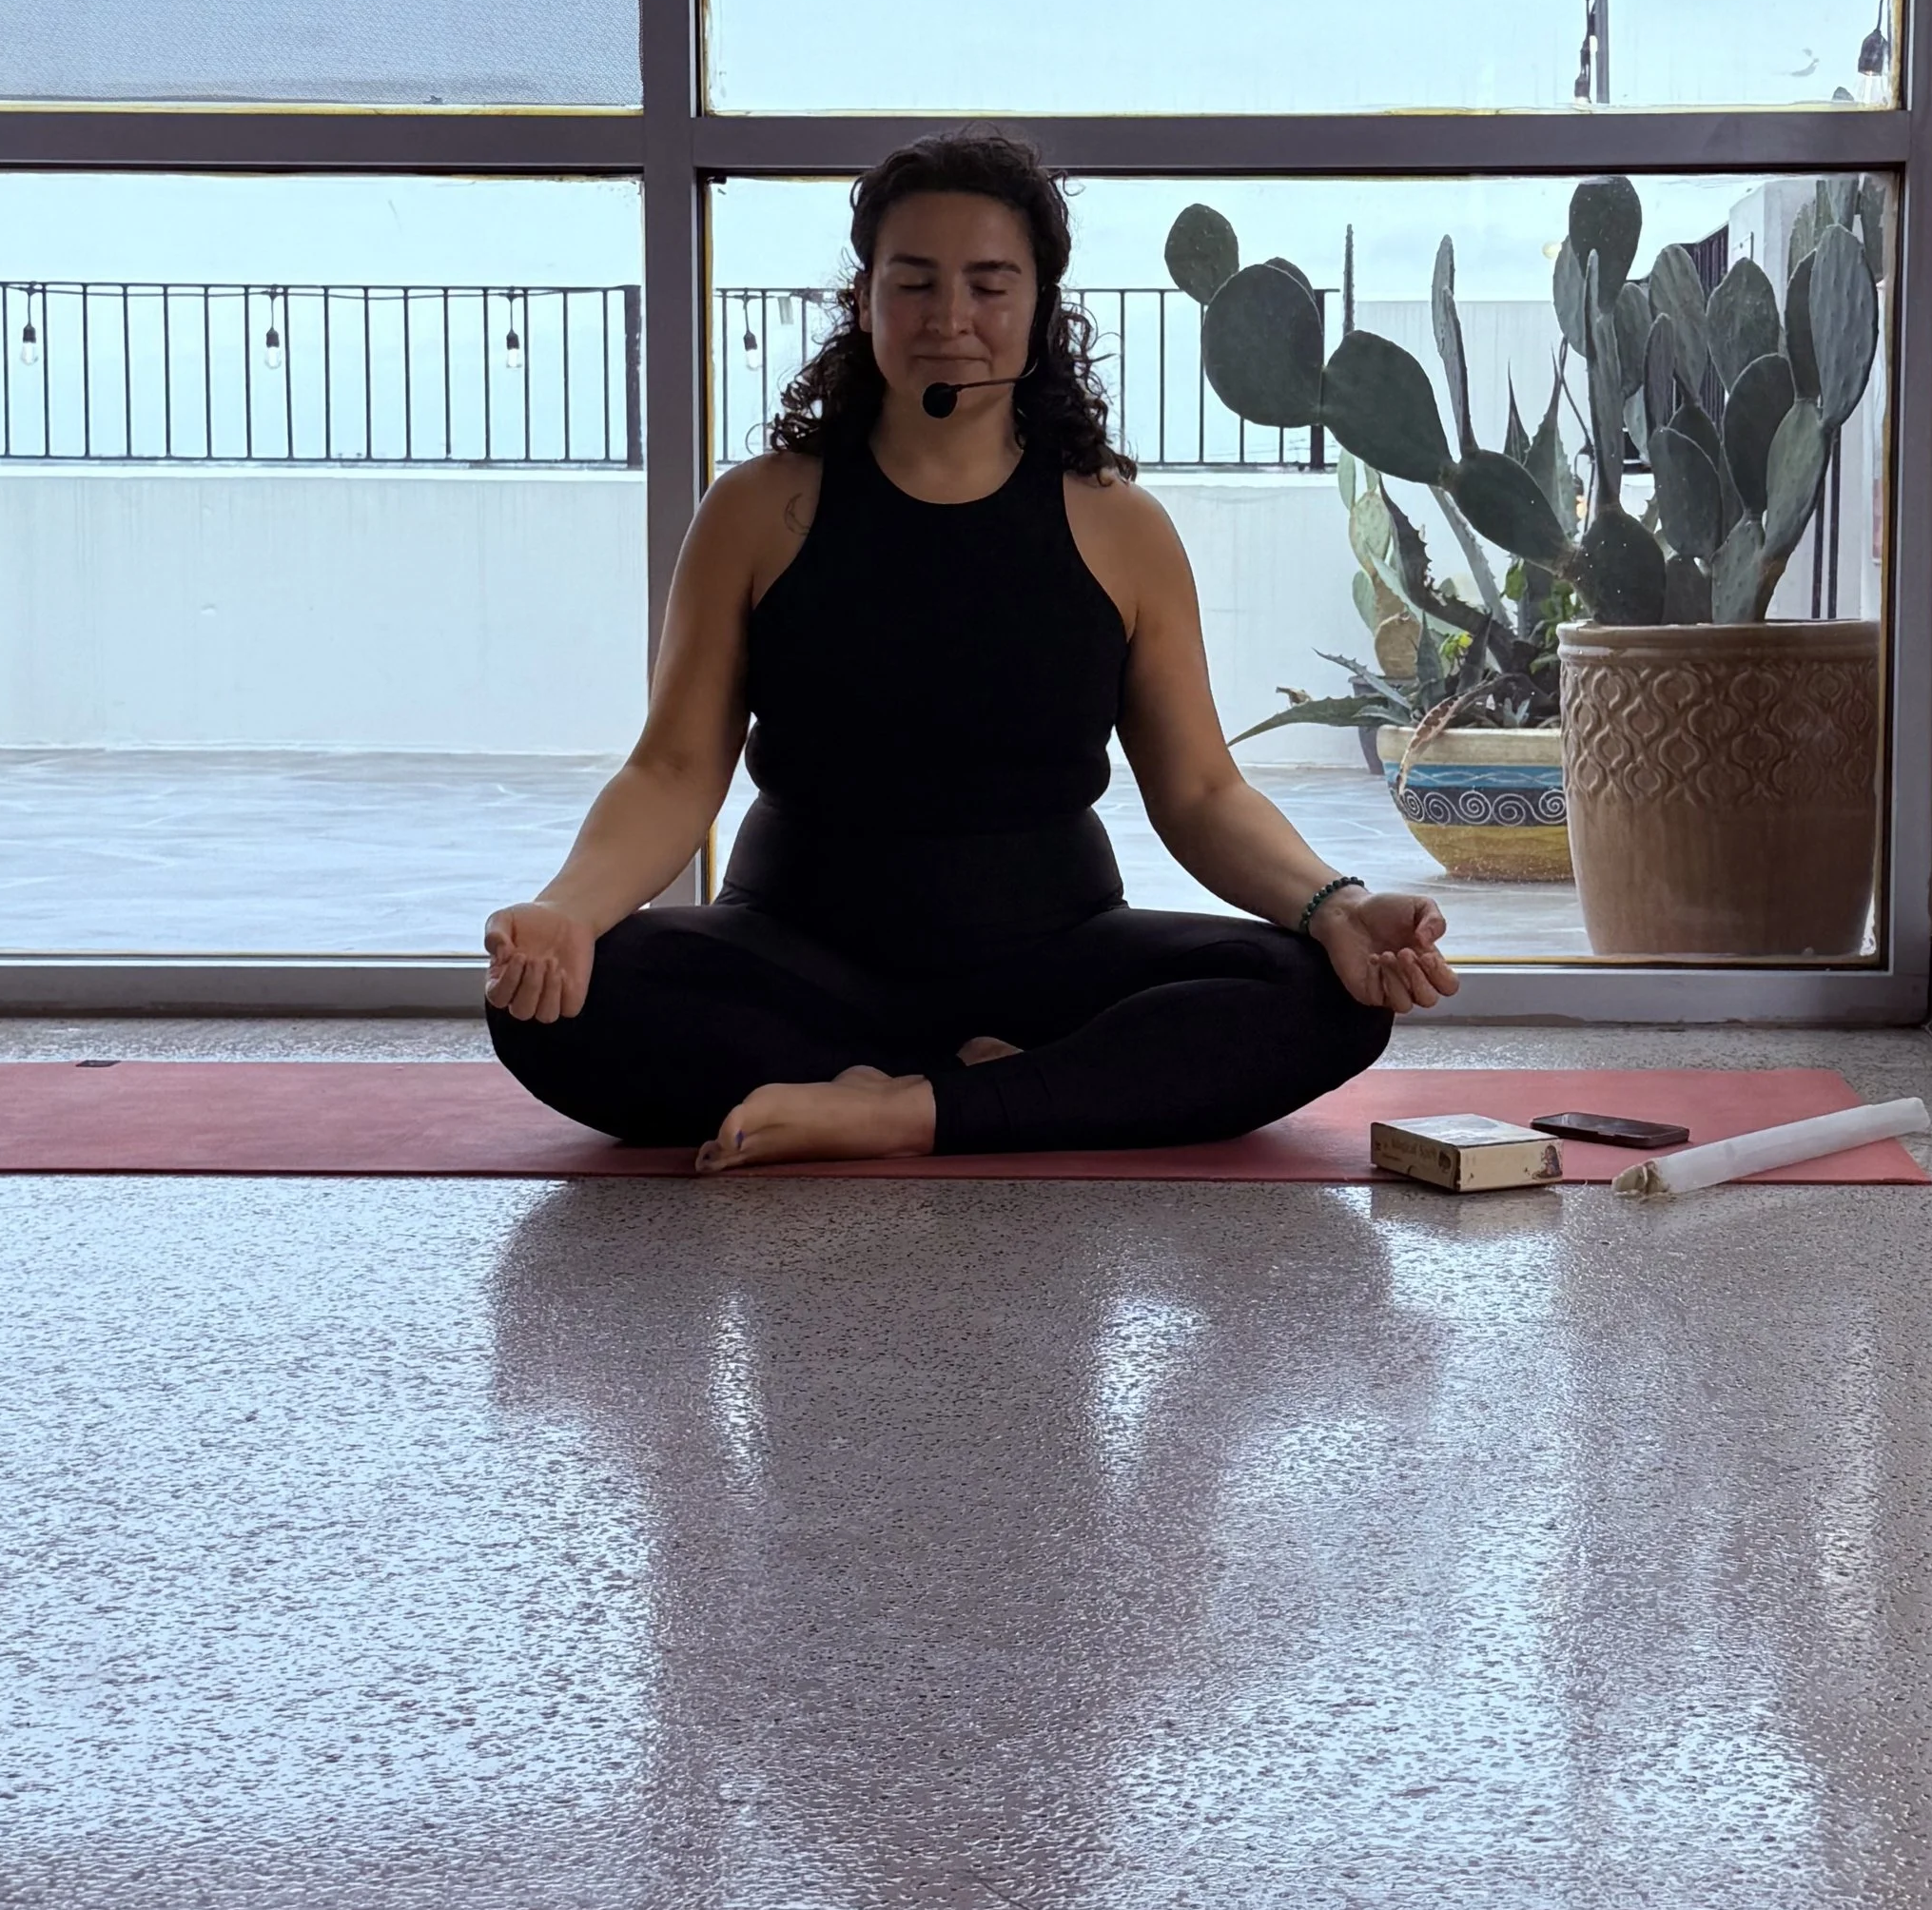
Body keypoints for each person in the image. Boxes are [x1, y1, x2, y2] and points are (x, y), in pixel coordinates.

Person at [483, 129, 1455, 1169]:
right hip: (796, 954)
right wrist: (566, 914)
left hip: (1050, 951)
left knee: (1323, 996)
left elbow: (1203, 794)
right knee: (551, 1008)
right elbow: (672, 770)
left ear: (1041, 309)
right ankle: (996, 1087)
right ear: (864, 302)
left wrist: (1337, 907)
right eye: (915, 283)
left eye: (990, 285)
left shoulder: (1119, 525)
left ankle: (894, 1111)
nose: (950, 320)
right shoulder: (760, 509)